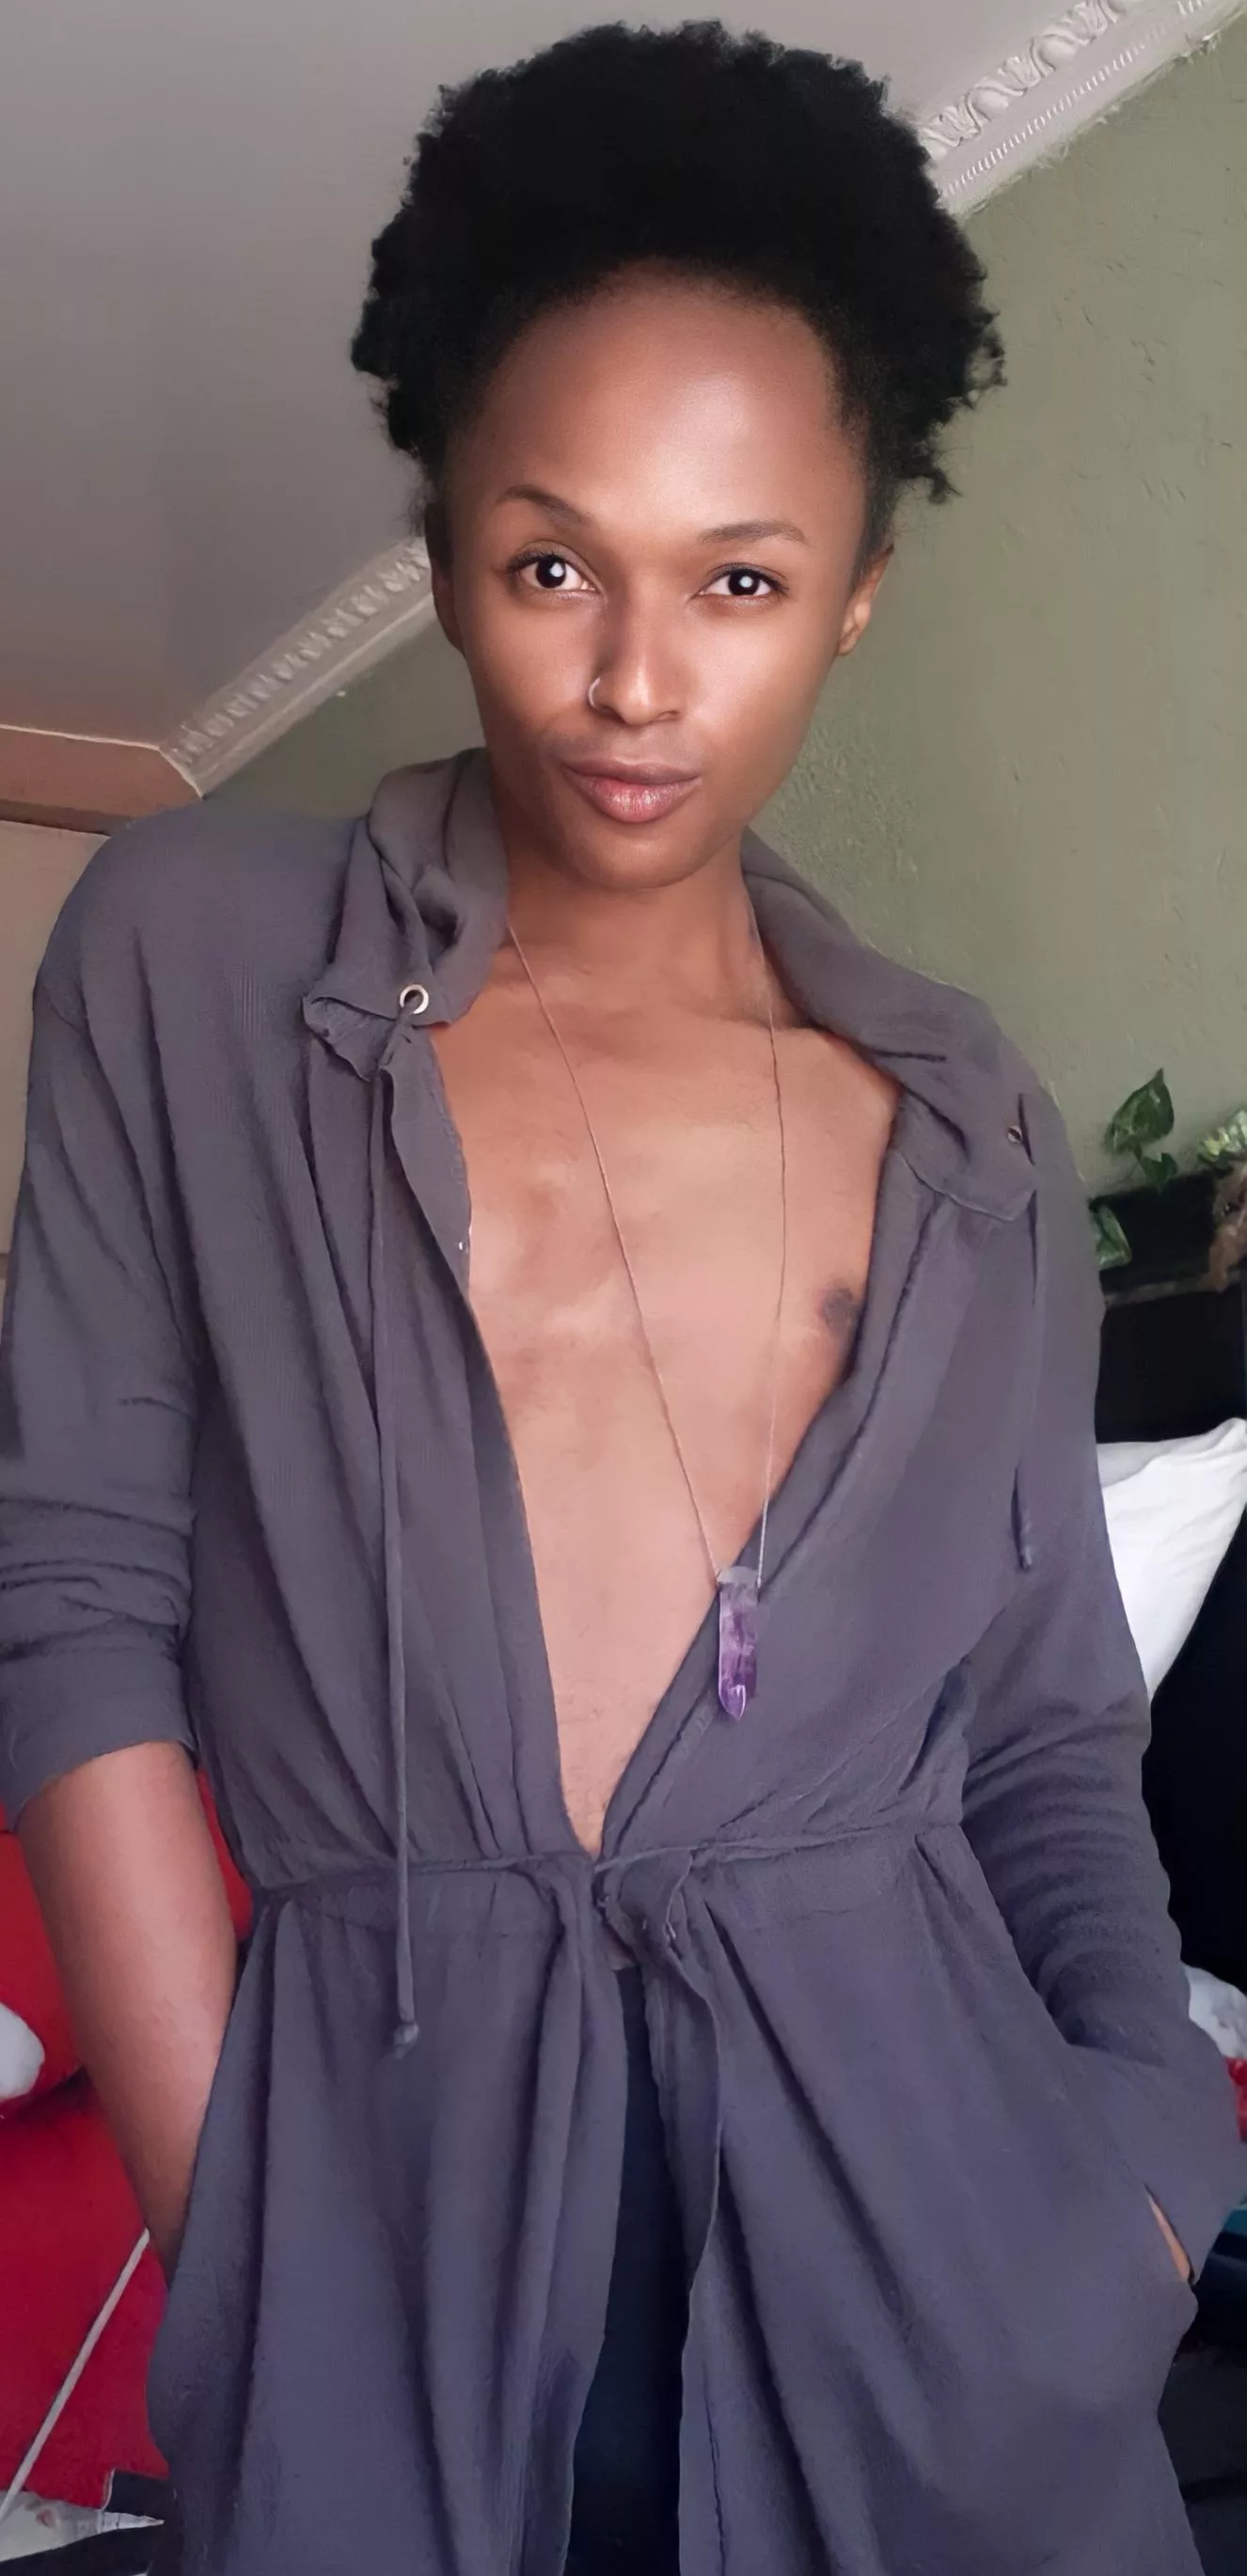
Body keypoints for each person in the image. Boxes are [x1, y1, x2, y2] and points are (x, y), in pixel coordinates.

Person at [0, 22, 1239, 2576]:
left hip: (942, 2265)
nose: (638, 683)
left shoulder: (974, 1136)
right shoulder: (197, 959)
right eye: (553, 562)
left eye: (741, 579)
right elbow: (78, 1597)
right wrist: (243, 2232)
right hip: (391, 2245)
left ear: (856, 587)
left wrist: (1140, 2187)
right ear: (445, 539)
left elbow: (1044, 1738)